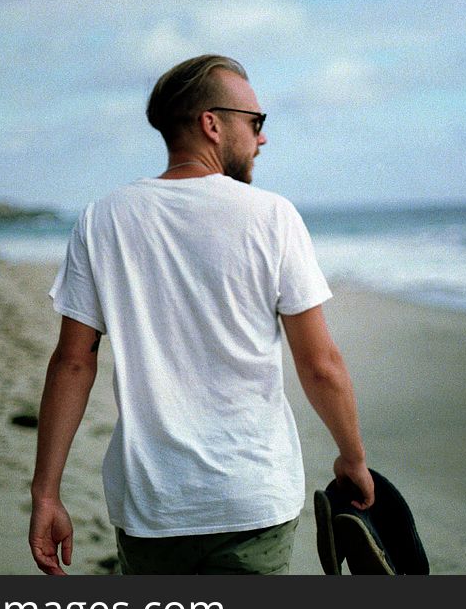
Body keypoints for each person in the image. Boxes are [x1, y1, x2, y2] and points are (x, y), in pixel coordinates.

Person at [29, 54, 374, 575]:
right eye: (255, 123)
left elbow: (74, 363)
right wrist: (353, 458)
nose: (262, 139)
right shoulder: (272, 217)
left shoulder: (103, 220)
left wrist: (46, 493)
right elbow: (319, 363)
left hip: (153, 506)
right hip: (250, 497)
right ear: (212, 124)